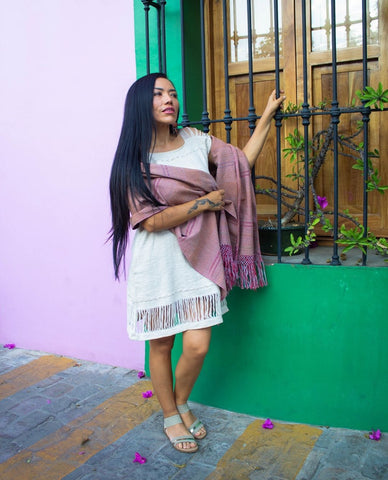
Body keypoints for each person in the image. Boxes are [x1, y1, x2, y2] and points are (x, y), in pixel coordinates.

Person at [109, 72, 285, 453]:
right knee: (161, 345)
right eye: (158, 94)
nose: (168, 99)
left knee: (197, 345)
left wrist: (267, 117)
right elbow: (150, 220)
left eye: (172, 93)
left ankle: (181, 400)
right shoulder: (132, 160)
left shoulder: (195, 140)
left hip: (201, 258)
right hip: (157, 263)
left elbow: (239, 166)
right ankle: (171, 415)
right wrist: (204, 203)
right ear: (141, 104)